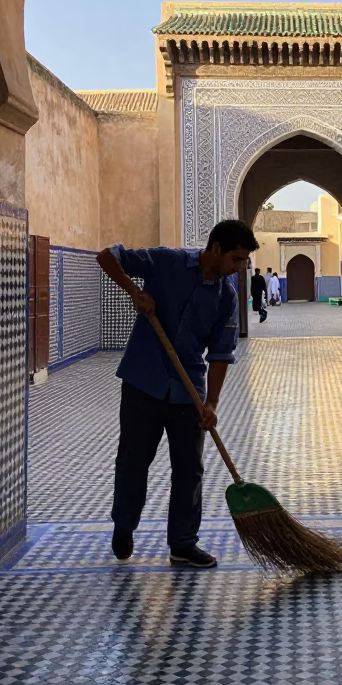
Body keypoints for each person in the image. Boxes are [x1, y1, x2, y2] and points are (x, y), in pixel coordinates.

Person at [96, 219, 259, 569]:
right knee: (133, 462)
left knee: (190, 469)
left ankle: (183, 544)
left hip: (189, 393)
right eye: (235, 259)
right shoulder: (166, 262)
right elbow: (107, 256)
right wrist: (133, 291)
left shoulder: (226, 297)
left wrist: (211, 403)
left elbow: (219, 355)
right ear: (215, 249)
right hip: (144, 381)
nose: (238, 268)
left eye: (243, 261)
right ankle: (124, 525)